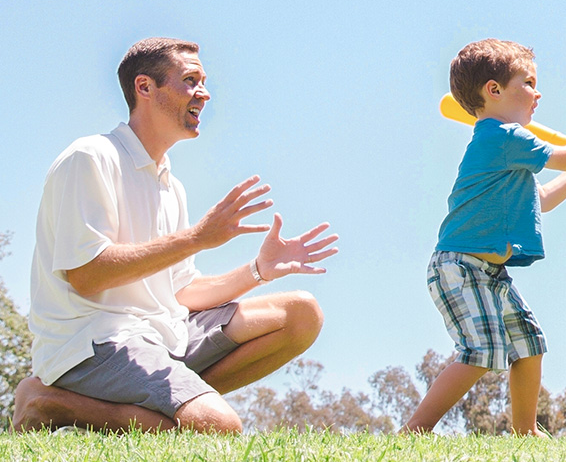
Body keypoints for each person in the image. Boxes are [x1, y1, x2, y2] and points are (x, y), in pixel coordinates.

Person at [11, 38, 340, 434]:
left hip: (165, 335)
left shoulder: (171, 185)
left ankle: (179, 408)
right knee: (219, 428)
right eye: (190, 80)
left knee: (301, 314)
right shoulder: (91, 158)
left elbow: (181, 293)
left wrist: (258, 271)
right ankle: (50, 403)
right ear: (145, 87)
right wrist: (198, 238)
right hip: (95, 344)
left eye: (203, 81)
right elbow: (87, 275)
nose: (204, 92)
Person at [403, 39, 566, 436]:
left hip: (488, 272)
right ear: (494, 90)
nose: (538, 93)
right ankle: (415, 429)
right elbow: (562, 156)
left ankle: (525, 432)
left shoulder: (509, 153)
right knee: (480, 351)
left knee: (529, 344)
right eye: (529, 81)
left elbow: (544, 199)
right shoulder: (502, 137)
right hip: (461, 266)